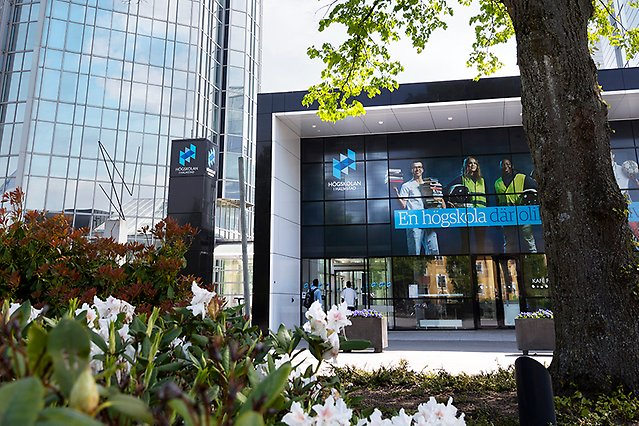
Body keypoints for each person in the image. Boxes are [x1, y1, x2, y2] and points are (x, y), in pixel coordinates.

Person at [396, 160, 446, 255]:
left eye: (419, 167)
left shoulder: (430, 184)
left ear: (422, 170)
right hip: (415, 221)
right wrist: (395, 194)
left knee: (434, 250)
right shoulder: (407, 186)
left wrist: (439, 197)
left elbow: (442, 204)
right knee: (415, 251)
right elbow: (403, 205)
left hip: (429, 220)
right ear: (411, 170)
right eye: (415, 167)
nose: (417, 169)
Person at [494, 158, 537, 253]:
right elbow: (497, 200)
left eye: (507, 164)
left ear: (511, 166)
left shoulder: (521, 177)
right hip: (507, 215)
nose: (506, 166)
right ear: (500, 167)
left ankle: (536, 259)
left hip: (522, 212)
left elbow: (534, 188)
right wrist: (497, 220)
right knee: (508, 242)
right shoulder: (497, 182)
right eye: (503, 165)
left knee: (529, 239)